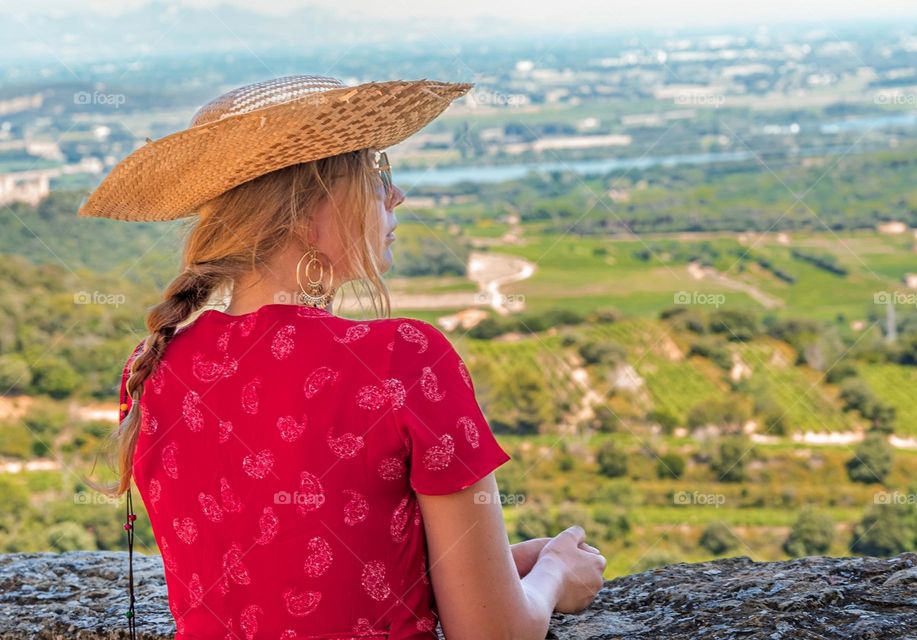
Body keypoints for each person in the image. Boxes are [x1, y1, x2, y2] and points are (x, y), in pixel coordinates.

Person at [82, 75, 605, 639]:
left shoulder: (154, 369)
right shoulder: (403, 361)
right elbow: (496, 633)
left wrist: (483, 567)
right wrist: (554, 572)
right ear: (310, 210)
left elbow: (290, 574)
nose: (395, 194)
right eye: (377, 171)